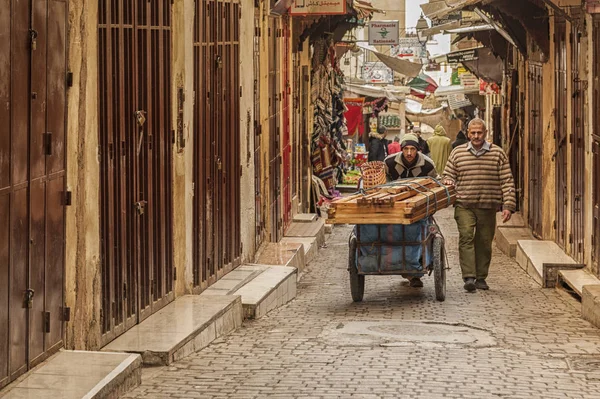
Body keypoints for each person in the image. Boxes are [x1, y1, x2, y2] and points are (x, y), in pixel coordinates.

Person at [442, 118, 516, 292]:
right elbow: (448, 174)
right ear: (468, 133)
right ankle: (469, 276)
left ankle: (481, 277)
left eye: (479, 133)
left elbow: (507, 180)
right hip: (464, 204)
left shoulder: (497, 153)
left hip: (488, 205)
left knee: (484, 241)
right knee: (466, 236)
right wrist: (448, 181)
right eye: (473, 133)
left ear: (486, 133)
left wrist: (508, 205)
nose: (476, 136)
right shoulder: (457, 153)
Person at [383, 133, 438, 288]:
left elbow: (435, 183)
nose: (408, 153)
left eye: (412, 149)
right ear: (401, 149)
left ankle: (415, 273)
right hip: (394, 208)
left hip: (418, 210)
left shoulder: (427, 165)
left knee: (417, 236)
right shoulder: (389, 162)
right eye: (405, 149)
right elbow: (382, 182)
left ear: (417, 150)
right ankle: (398, 264)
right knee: (394, 234)